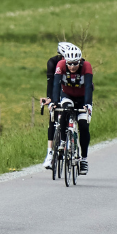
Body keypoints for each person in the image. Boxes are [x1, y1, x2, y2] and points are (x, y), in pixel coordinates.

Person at [45, 45, 94, 174]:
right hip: (67, 96)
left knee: (83, 126)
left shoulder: (87, 66)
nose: (72, 67)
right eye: (70, 64)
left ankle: (84, 159)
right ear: (66, 61)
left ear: (80, 61)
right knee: (64, 111)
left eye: (75, 64)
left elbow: (88, 87)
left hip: (82, 98)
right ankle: (62, 142)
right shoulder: (60, 65)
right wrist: (54, 102)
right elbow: (56, 85)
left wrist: (88, 105)